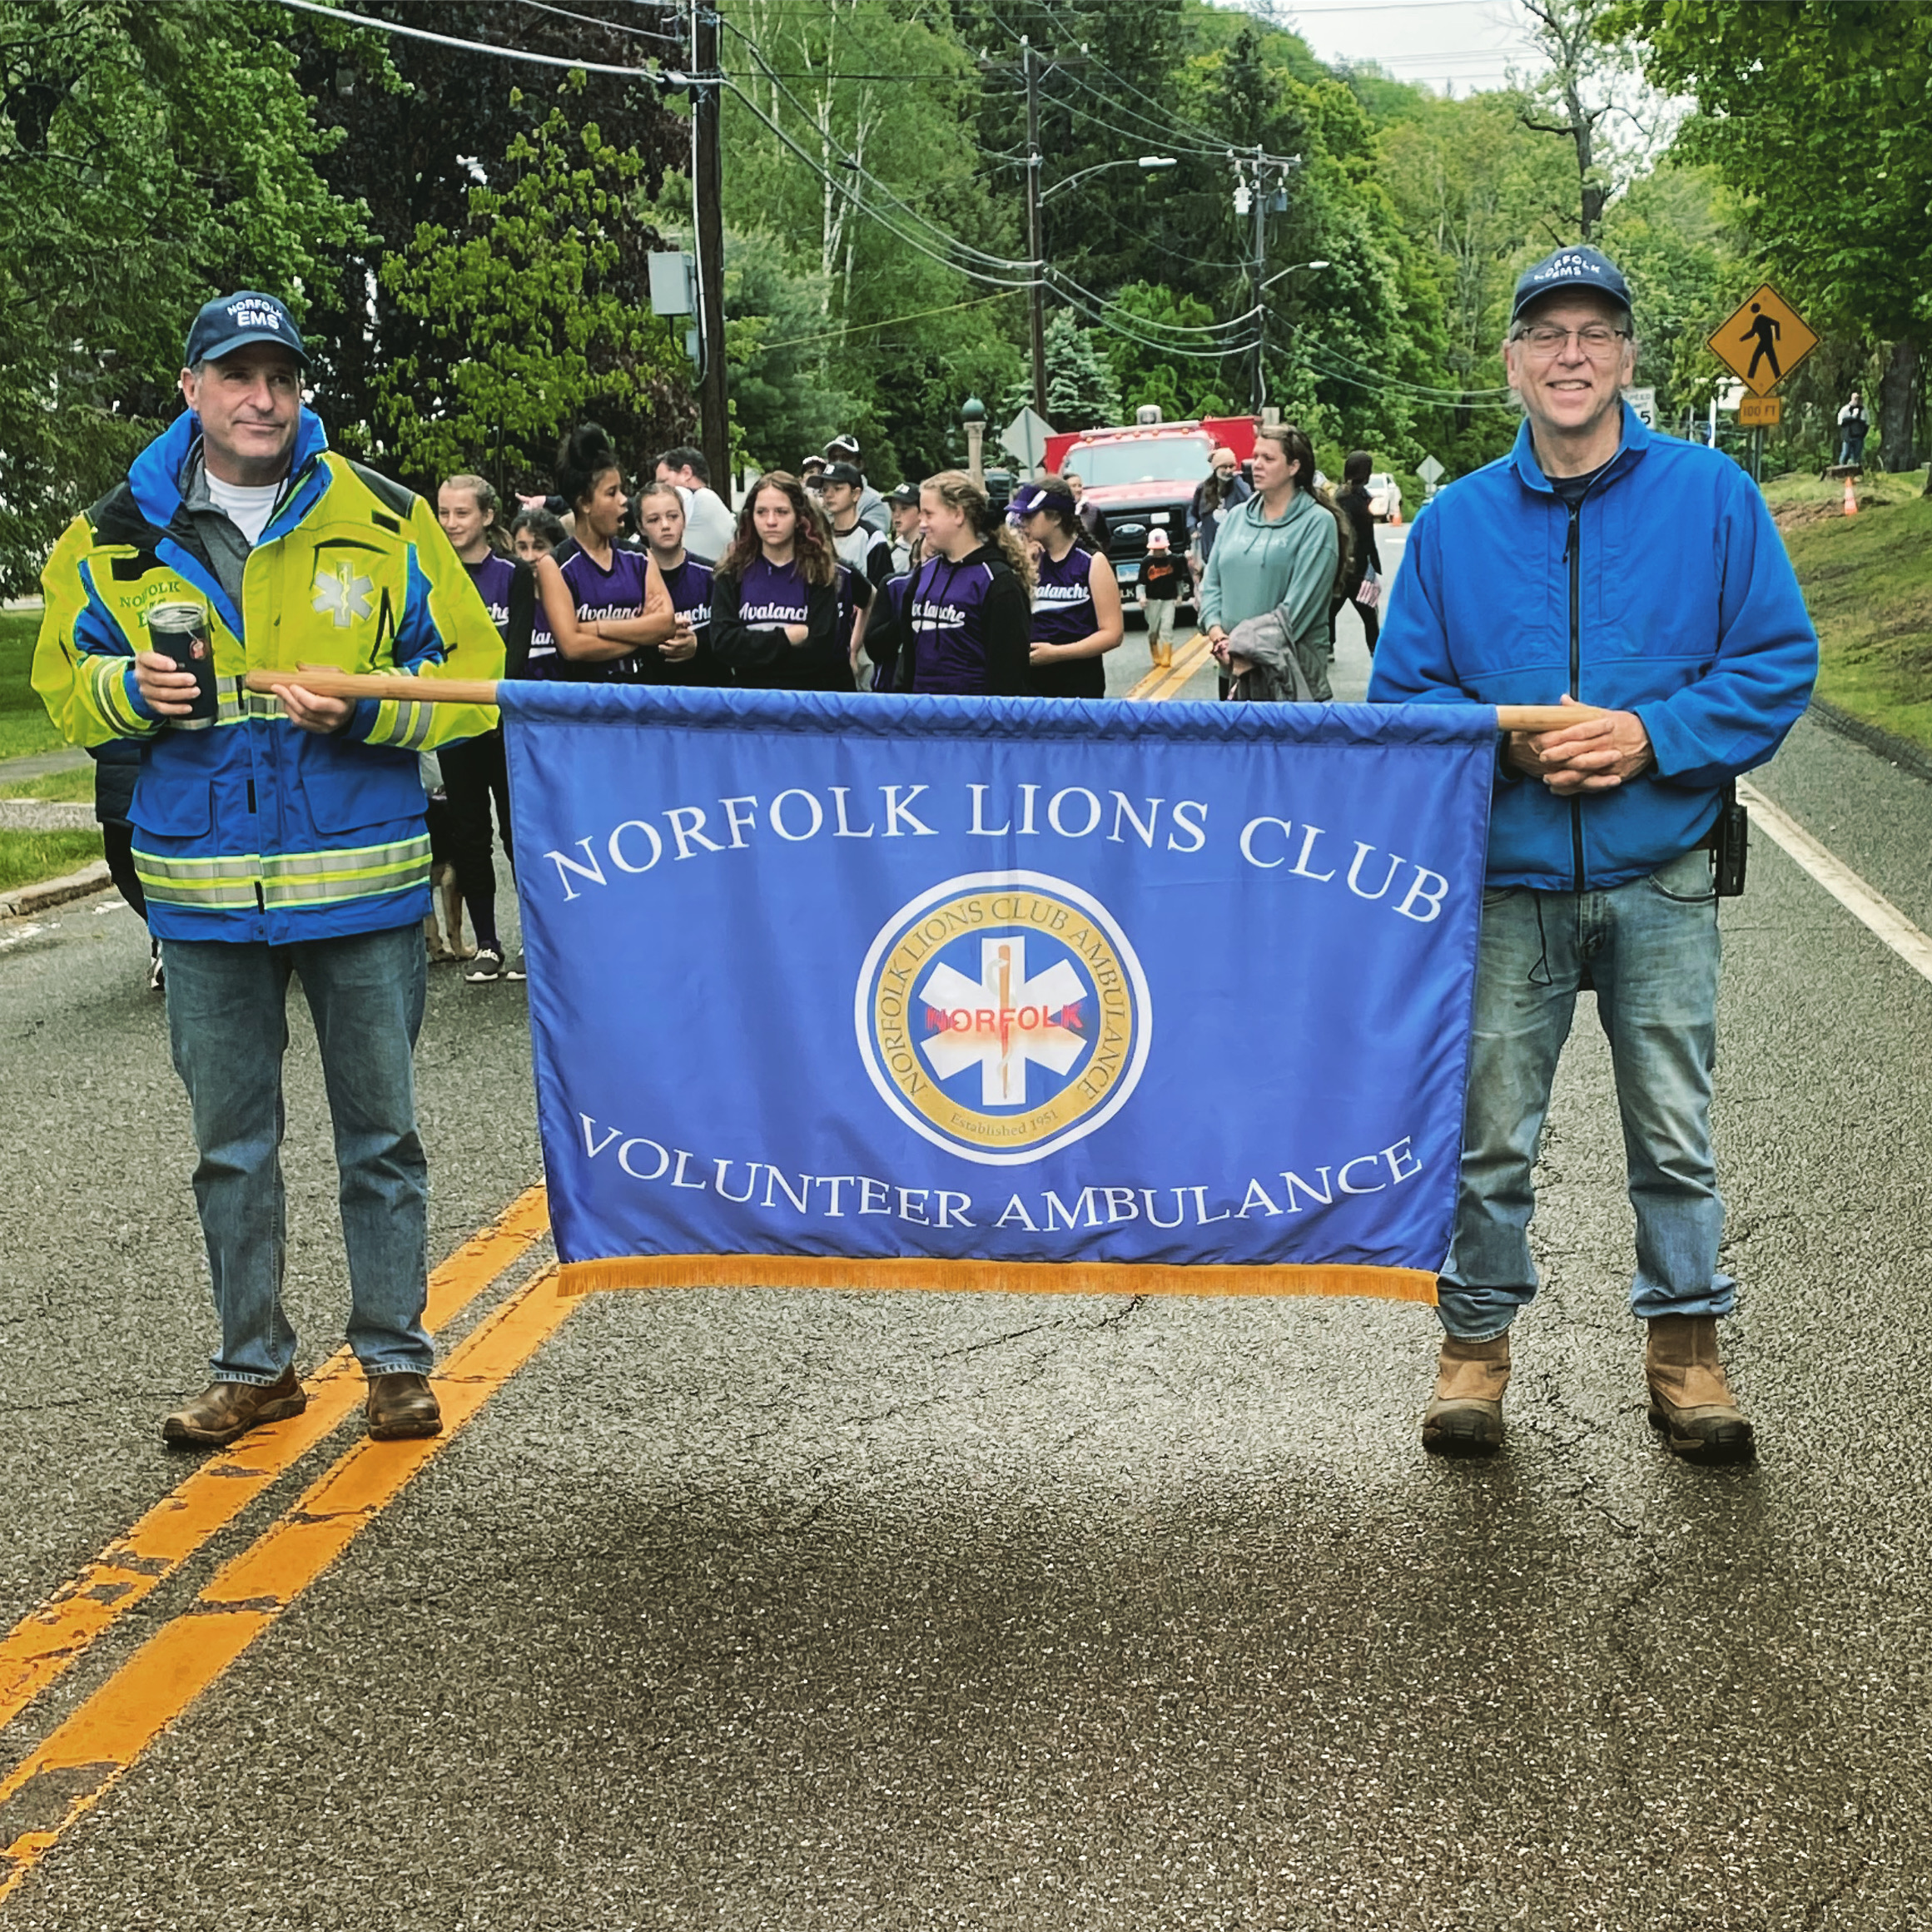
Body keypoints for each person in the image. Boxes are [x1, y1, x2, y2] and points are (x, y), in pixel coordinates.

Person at [1368, 243, 1818, 1464]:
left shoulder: (1713, 497)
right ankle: (1472, 1353)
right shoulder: (1454, 525)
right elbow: (1403, 699)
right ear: (1512, 362)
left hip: (1661, 875)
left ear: (1625, 356)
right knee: (1488, 1135)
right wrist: (1512, 749)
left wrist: (1648, 736)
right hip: (1508, 884)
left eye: (1594, 334)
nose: (1571, 356)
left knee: (1672, 1132)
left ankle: (1688, 1356)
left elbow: (1775, 664)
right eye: (1546, 335)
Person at [32, 290, 504, 1448]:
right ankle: (255, 1367)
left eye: (281, 378)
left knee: (379, 1136)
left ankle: (394, 1357)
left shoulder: (385, 515)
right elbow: (61, 681)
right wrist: (124, 694)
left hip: (360, 879)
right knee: (230, 1150)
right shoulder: (111, 537)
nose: (263, 399)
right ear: (190, 389)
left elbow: (473, 666)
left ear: (302, 392)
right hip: (201, 894)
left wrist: (369, 711)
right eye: (237, 377)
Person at [436, 474, 534, 984]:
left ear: (487, 517)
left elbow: (516, 651)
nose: (451, 523)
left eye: (462, 513)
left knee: (519, 833)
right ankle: (487, 944)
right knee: (470, 835)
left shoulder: (514, 575)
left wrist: (501, 709)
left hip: (503, 722)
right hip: (454, 724)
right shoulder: (430, 576)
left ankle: (532, 943)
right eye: (444, 513)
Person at [1199, 425, 1346, 702]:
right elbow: (1211, 584)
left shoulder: (1317, 523)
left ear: (1294, 467)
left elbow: (1299, 610)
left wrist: (1243, 650)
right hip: (1232, 669)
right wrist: (1218, 635)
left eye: (1268, 459)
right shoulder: (1235, 518)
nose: (1256, 465)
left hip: (1290, 676)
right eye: (1255, 457)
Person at [532, 423, 674, 685]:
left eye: (621, 490)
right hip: (586, 708)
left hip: (642, 699)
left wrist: (596, 628)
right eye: (612, 493)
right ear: (584, 503)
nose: (624, 500)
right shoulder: (555, 566)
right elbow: (572, 647)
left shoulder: (640, 557)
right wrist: (641, 633)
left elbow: (665, 624)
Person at [710, 471, 860, 692]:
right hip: (748, 701)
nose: (771, 521)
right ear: (751, 516)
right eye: (762, 512)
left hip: (805, 701)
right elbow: (724, 644)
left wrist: (753, 648)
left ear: (799, 517)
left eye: (781, 512)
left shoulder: (820, 573)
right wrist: (787, 638)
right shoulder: (731, 573)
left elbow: (819, 651)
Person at [890, 470, 1033, 696]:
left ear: (958, 514)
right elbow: (907, 659)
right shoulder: (924, 573)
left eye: (928, 514)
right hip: (922, 716)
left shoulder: (998, 581)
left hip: (975, 720)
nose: (922, 523)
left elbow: (1009, 675)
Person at [1011, 476, 1125, 696]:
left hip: (1079, 682)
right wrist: (1024, 567)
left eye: (1030, 515)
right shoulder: (1027, 561)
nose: (1022, 522)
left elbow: (1112, 634)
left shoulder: (1091, 562)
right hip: (1031, 681)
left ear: (1054, 517)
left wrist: (1057, 653)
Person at [633, 481, 725, 687]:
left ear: (684, 519)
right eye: (654, 519)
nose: (665, 525)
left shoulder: (714, 576)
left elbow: (732, 637)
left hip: (708, 695)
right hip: (652, 697)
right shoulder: (631, 581)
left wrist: (697, 645)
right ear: (640, 526)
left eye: (673, 516)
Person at [1329, 450, 1384, 658]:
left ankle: (1328, 645)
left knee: (1330, 610)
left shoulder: (1339, 497)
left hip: (1340, 566)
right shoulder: (1359, 499)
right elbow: (1366, 538)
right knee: (1369, 612)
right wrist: (1373, 562)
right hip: (1358, 567)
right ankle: (1375, 650)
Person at [510, 505, 567, 678]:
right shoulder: (507, 601)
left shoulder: (573, 599)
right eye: (522, 547)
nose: (529, 556)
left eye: (539, 547)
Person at [652, 445, 737, 560]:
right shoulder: (709, 503)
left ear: (686, 473)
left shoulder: (700, 497)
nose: (660, 490)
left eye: (663, 482)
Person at [1186, 445, 1250, 595]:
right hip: (1210, 550)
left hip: (1234, 549)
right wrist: (1193, 529)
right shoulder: (1203, 489)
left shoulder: (1239, 485)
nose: (1228, 471)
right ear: (1215, 468)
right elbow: (1192, 513)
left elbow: (1251, 502)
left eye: (1231, 466)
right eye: (1224, 467)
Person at [1135, 529, 1186, 672]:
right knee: (1153, 629)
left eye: (1161, 549)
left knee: (1167, 627)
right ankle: (1154, 649)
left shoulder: (1173, 560)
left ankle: (1167, 654)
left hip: (1168, 599)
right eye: (1156, 549)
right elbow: (1141, 582)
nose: (1159, 552)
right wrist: (1142, 596)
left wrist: (1180, 595)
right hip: (1152, 600)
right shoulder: (1146, 562)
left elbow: (1178, 580)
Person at [822, 434, 890, 534]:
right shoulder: (822, 499)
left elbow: (869, 540)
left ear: (860, 464)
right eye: (833, 458)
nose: (838, 462)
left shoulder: (875, 502)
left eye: (845, 457)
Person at [1064, 470, 1106, 545]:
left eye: (1080, 486)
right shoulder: (1058, 513)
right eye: (1073, 486)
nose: (1078, 489)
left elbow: (1104, 539)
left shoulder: (1094, 512)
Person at [887, 483, 921, 574]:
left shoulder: (931, 550)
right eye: (893, 509)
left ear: (921, 511)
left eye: (904, 508)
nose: (896, 515)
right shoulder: (893, 552)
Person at [1836, 391, 1870, 469]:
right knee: (1845, 453)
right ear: (1852, 399)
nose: (1857, 401)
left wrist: (1862, 434)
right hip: (1848, 437)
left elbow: (1867, 423)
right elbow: (1840, 422)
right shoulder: (1845, 410)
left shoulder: (1864, 410)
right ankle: (1841, 469)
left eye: (1859, 399)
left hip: (1858, 437)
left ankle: (1856, 473)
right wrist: (1852, 418)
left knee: (1857, 456)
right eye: (1855, 399)